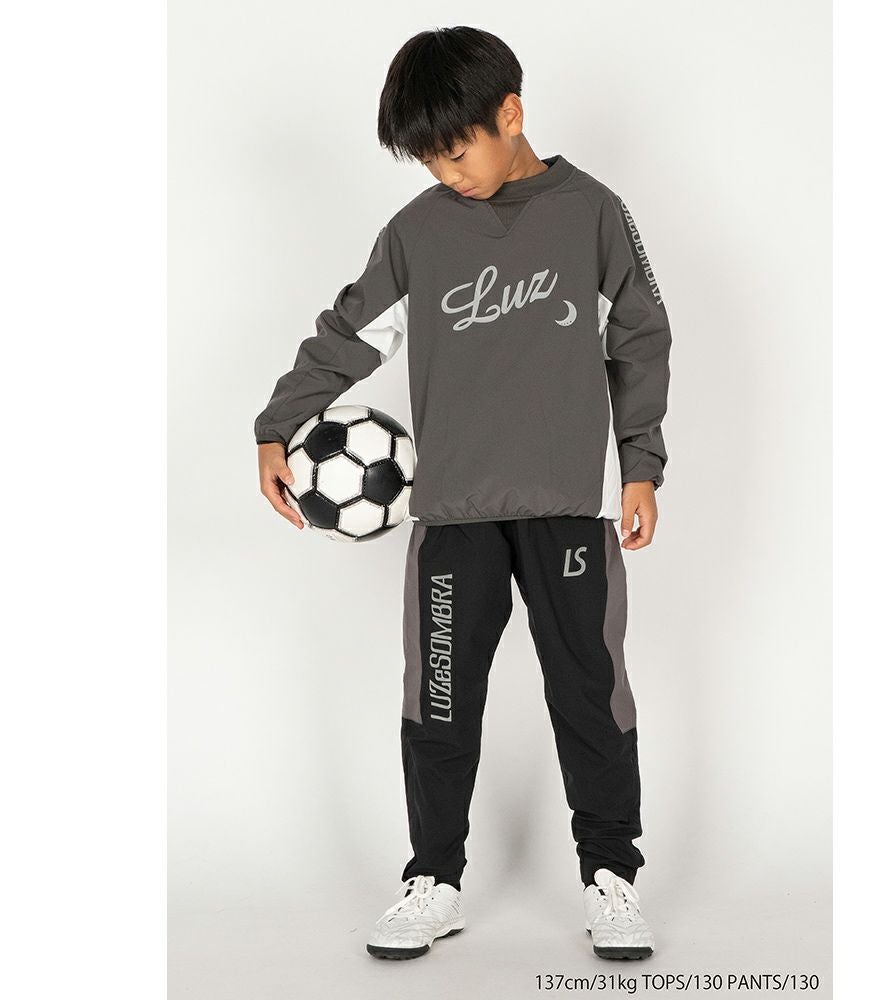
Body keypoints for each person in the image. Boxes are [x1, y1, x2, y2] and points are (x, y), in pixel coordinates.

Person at [255, 25, 672, 962]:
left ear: (509, 115)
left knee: (590, 693)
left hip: (570, 508)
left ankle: (612, 875)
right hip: (452, 519)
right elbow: (347, 336)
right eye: (428, 160)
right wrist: (277, 423)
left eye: (455, 151)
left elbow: (641, 340)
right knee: (439, 701)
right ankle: (433, 879)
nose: (447, 174)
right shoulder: (418, 234)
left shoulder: (592, 214)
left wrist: (641, 463)